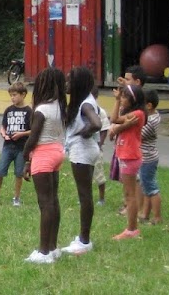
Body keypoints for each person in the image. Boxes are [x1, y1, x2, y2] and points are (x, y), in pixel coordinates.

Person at [23, 67, 67, 264]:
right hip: (57, 152)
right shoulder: (59, 106)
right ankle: (53, 247)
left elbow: (33, 138)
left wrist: (25, 157)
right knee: (53, 200)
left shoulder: (41, 110)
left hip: (43, 154)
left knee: (45, 203)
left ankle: (43, 252)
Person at [61, 67, 101, 255]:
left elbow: (96, 124)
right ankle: (83, 237)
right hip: (86, 150)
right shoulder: (86, 101)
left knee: (84, 196)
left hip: (82, 151)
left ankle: (84, 240)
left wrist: (80, 134)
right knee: (85, 195)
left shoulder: (85, 104)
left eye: (69, 81)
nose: (66, 85)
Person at [109, 75, 147, 241]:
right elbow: (114, 119)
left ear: (133, 99)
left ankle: (132, 229)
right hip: (124, 154)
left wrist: (117, 129)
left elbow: (115, 122)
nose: (122, 99)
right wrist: (117, 101)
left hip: (130, 156)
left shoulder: (138, 113)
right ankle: (131, 227)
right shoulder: (132, 113)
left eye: (124, 97)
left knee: (130, 195)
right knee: (127, 193)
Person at [0, 81, 31, 207]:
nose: (12, 98)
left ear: (23, 95)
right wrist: (3, 132)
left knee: (19, 173)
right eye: (11, 95)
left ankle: (16, 197)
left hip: (21, 147)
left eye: (15, 95)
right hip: (8, 146)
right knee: (0, 171)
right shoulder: (8, 110)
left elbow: (33, 130)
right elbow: (3, 125)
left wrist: (21, 134)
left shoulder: (29, 111)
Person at [138, 89, 163, 226]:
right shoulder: (152, 117)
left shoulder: (150, 121)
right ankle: (145, 214)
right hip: (146, 158)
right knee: (146, 186)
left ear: (149, 106)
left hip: (148, 158)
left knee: (151, 188)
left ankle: (157, 216)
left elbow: (138, 135)